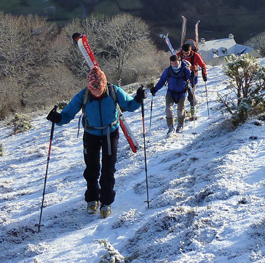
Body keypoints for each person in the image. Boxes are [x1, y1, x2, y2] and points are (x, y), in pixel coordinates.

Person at [46, 66, 145, 218]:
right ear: (89, 87)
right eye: (93, 89)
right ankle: (92, 199)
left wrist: (138, 98)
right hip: (91, 134)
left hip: (110, 133)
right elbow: (68, 114)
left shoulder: (114, 91)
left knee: (108, 169)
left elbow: (130, 105)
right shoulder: (83, 95)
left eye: (99, 88)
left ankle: (106, 202)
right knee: (91, 168)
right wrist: (57, 118)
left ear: (104, 84)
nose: (97, 92)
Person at [150, 55, 193, 134]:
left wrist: (193, 77)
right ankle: (171, 127)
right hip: (171, 93)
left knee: (180, 110)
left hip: (182, 93)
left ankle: (180, 125)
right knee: (168, 109)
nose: (174, 65)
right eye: (172, 63)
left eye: (175, 63)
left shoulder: (185, 70)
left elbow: (193, 81)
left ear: (179, 62)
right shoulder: (168, 71)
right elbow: (162, 81)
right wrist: (155, 89)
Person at [177, 42, 208, 119]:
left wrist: (204, 74)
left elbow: (203, 65)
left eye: (187, 53)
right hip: (182, 77)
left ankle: (193, 108)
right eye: (184, 53)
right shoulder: (178, 55)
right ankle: (181, 112)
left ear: (190, 51)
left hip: (192, 77)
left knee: (190, 94)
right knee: (181, 95)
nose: (185, 55)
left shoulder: (195, 55)